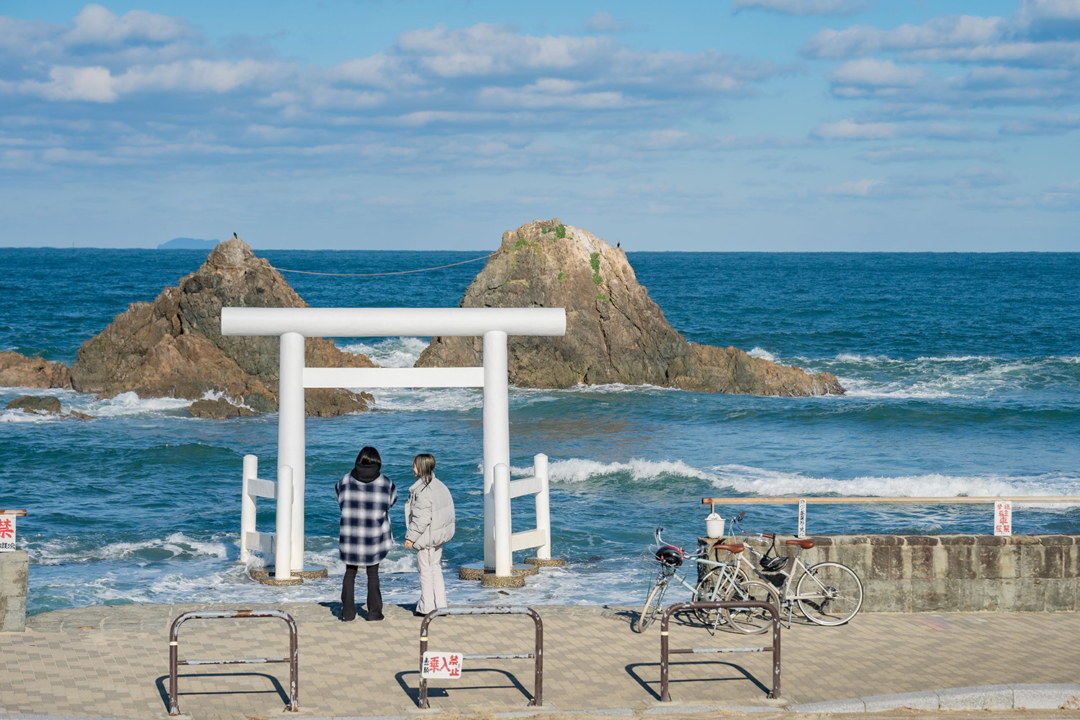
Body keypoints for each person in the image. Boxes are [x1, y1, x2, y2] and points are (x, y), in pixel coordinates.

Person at [335, 446, 397, 622]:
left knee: (350, 572)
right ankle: (374, 613)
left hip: (350, 535)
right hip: (373, 536)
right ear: (377, 462)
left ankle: (348, 613)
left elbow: (339, 498)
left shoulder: (345, 481)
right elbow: (391, 502)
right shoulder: (386, 483)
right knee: (373, 573)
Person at [404, 453, 456, 616]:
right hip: (438, 536)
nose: (412, 468)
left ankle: (428, 608)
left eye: (414, 465)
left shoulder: (423, 491)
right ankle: (441, 605)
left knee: (425, 571)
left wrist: (410, 538)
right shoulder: (440, 485)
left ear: (421, 467)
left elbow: (421, 519)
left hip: (426, 537)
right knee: (435, 569)